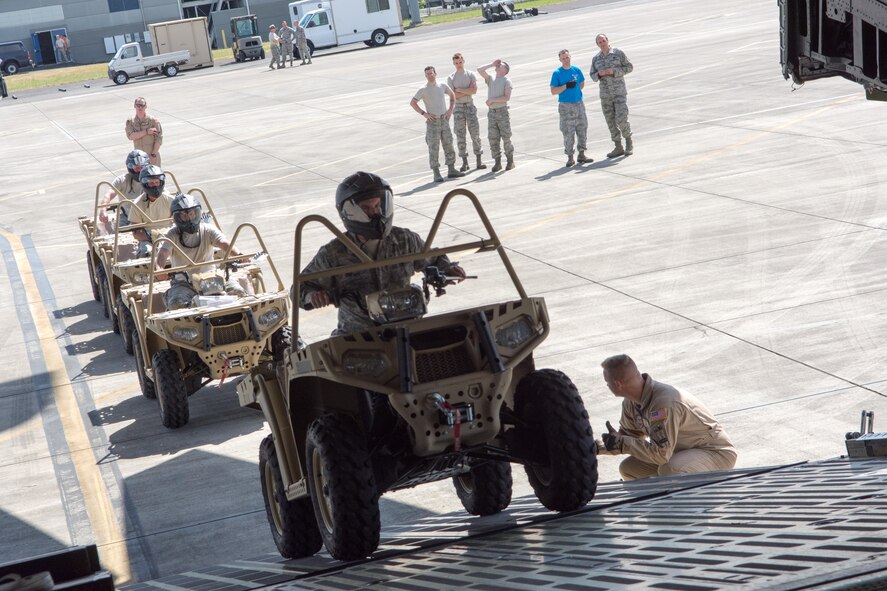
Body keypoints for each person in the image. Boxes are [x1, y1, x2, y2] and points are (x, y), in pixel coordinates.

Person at [300, 171, 466, 335]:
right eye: (365, 208)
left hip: (406, 329)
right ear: (348, 212)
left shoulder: (405, 239)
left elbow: (434, 258)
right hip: (358, 337)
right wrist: (312, 296)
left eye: (377, 206)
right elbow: (300, 288)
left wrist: (448, 269)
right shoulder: (334, 253)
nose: (374, 213)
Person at [597, 354, 737, 481]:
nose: (607, 386)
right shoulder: (631, 403)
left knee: (670, 471)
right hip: (678, 452)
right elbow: (630, 437)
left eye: (607, 383)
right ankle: (653, 504)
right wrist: (594, 448)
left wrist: (622, 443)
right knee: (629, 469)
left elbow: (660, 454)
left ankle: (683, 505)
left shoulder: (664, 403)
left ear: (617, 384)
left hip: (713, 452)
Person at [410, 66, 466, 183]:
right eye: (428, 74)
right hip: (433, 121)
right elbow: (413, 102)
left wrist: (450, 110)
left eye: (432, 73)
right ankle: (436, 172)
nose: (430, 75)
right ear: (425, 76)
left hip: (444, 119)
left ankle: (451, 169)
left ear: (435, 73)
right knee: (433, 147)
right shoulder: (423, 89)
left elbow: (452, 95)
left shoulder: (442, 85)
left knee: (448, 144)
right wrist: (424, 113)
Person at [590, 33, 634, 157]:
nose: (602, 43)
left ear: (607, 41)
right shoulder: (596, 59)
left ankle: (628, 142)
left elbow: (629, 67)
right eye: (599, 42)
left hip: (619, 92)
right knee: (610, 121)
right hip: (605, 95)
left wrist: (614, 71)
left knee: (621, 119)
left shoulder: (617, 53)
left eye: (603, 41)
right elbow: (592, 75)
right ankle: (618, 146)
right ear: (597, 45)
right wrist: (599, 74)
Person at [550, 49, 591, 167]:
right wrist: (565, 86)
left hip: (578, 103)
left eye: (567, 57)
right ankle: (570, 157)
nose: (566, 60)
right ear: (560, 60)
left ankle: (582, 153)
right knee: (568, 131)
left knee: (582, 127)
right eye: (563, 58)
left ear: (570, 57)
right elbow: (553, 91)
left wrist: (575, 91)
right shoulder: (557, 73)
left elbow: (582, 84)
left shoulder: (576, 70)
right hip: (565, 105)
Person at [447, 53, 486, 172]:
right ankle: (465, 162)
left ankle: (479, 160)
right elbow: (453, 95)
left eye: (460, 62)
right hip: (458, 108)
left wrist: (460, 90)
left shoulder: (470, 74)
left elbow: (474, 91)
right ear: (454, 63)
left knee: (475, 133)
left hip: (469, 106)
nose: (459, 65)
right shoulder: (451, 78)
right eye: (456, 63)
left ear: (463, 61)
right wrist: (466, 91)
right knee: (460, 135)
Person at [127, 165, 176, 256]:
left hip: (171, 236)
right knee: (147, 253)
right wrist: (154, 236)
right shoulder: (137, 204)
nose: (155, 186)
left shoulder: (170, 200)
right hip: (148, 239)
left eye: (157, 182)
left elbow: (179, 222)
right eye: (151, 183)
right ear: (145, 184)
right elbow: (136, 233)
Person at [477, 59, 514, 173]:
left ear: (505, 70)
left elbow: (506, 97)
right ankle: (497, 162)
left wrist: (492, 99)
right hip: (492, 113)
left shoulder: (507, 81)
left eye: (500, 65)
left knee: (506, 137)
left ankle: (510, 161)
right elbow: (479, 70)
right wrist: (492, 64)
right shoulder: (491, 79)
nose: (497, 66)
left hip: (502, 112)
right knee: (493, 138)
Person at [99, 149, 150, 226]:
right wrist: (103, 210)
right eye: (136, 168)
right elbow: (108, 195)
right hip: (127, 217)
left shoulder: (153, 179)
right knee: (117, 233)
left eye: (142, 167)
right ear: (130, 167)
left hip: (150, 216)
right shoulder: (122, 180)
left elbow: (164, 193)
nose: (139, 171)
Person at [125, 97, 163, 166]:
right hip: (139, 159)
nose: (140, 107)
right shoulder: (130, 121)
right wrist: (146, 132)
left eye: (142, 105)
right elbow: (130, 136)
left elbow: (159, 139)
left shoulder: (153, 121)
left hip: (152, 156)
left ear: (146, 106)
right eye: (138, 105)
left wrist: (153, 155)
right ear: (134, 106)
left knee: (154, 176)